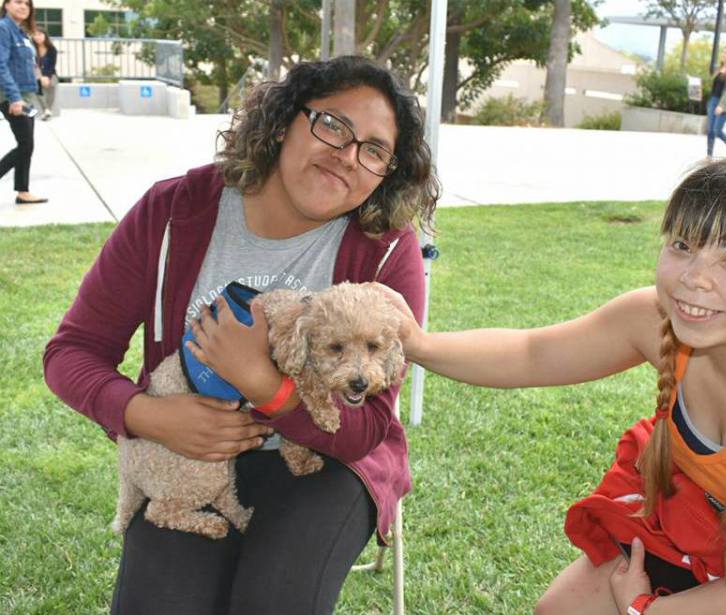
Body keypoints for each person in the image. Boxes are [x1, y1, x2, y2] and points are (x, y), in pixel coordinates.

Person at [379, 158, 726, 614]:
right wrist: (418, 344)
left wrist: (643, 610)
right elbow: (533, 352)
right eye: (683, 245)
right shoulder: (658, 320)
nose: (696, 277)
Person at [44, 56, 440, 615]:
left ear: (387, 172)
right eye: (332, 125)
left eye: (374, 150)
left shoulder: (386, 249)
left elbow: (367, 425)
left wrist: (267, 388)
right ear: (283, 123)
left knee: (274, 601)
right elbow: (72, 352)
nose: (347, 156)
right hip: (185, 447)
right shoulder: (171, 212)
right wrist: (147, 416)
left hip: (328, 460)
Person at [0, 0, 45, 204]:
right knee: (25, 144)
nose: (23, 7)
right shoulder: (3, 28)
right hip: (11, 95)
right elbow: (1, 64)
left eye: (27, 4)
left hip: (26, 96)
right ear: (6, 5)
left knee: (26, 144)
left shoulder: (21, 32)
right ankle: (22, 190)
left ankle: (23, 191)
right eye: (18, 2)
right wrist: (14, 97)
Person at [705, 45, 726, 160]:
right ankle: (709, 155)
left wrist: (721, 105)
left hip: (725, 103)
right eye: (723, 52)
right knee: (710, 130)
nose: (723, 55)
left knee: (717, 130)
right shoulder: (719, 69)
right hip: (713, 100)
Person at [31, 27, 55, 120]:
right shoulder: (31, 48)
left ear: (45, 36)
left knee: (52, 84)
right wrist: (40, 76)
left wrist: (47, 77)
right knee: (37, 87)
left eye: (40, 35)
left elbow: (52, 65)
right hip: (36, 73)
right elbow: (33, 64)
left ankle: (47, 110)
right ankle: (46, 110)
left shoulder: (52, 49)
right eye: (35, 35)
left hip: (49, 73)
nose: (37, 37)